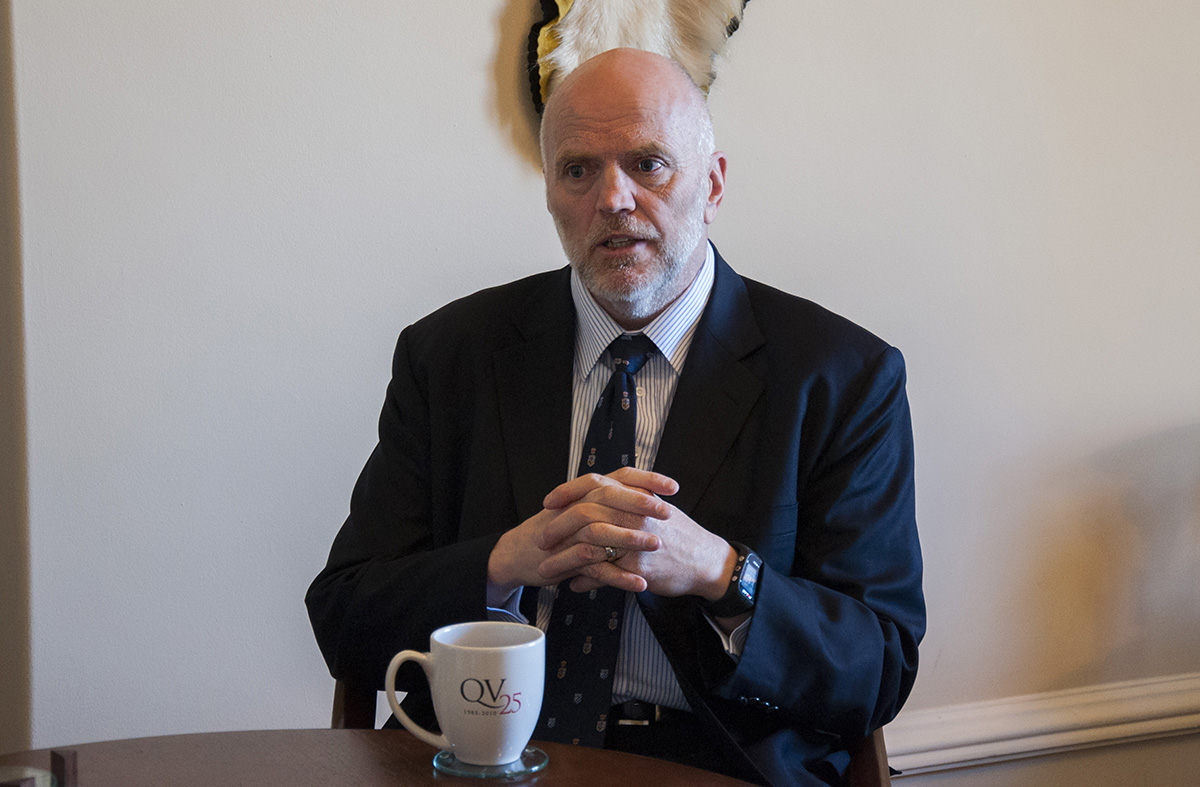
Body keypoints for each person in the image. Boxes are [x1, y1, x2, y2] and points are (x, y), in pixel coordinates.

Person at [306, 48, 924, 787]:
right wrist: (501, 565)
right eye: (578, 170)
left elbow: (878, 663)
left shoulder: (839, 375)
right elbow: (345, 615)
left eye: (648, 164)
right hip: (483, 759)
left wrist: (721, 573)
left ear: (714, 184)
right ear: (549, 193)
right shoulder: (450, 356)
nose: (614, 199)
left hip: (720, 764)